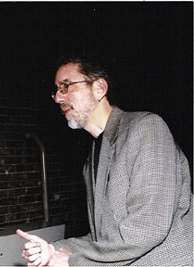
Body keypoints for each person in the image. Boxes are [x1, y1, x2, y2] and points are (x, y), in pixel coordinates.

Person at [16, 56, 193, 266]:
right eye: (56, 90)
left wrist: (73, 262)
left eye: (66, 86)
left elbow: (148, 226)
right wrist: (53, 251)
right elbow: (105, 241)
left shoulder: (147, 128)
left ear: (99, 88)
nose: (58, 98)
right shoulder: (92, 159)